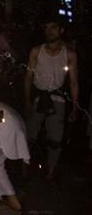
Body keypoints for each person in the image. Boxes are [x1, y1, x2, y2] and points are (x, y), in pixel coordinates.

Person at [24, 19, 79, 180]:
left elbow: (74, 82)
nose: (49, 31)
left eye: (53, 28)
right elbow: (28, 78)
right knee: (29, 135)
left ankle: (51, 171)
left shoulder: (69, 54)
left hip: (57, 98)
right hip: (38, 97)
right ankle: (25, 167)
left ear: (61, 30)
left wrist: (75, 107)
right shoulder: (36, 51)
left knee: (55, 138)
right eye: (47, 28)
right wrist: (27, 100)